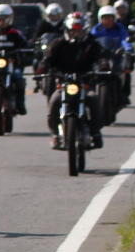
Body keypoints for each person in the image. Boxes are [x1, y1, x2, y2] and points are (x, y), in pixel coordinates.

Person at [40, 12, 107, 150]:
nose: (76, 34)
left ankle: (95, 132)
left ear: (84, 30)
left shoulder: (91, 44)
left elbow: (101, 57)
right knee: (54, 101)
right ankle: (54, 134)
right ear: (67, 30)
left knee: (94, 100)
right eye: (73, 31)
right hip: (64, 83)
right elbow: (48, 59)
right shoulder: (58, 43)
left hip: (85, 82)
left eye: (79, 31)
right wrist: (43, 67)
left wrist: (103, 65)